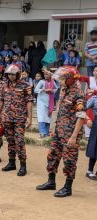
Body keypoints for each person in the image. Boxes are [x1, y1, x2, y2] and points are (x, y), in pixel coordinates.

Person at [36, 66, 87, 197]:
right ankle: (51, 182)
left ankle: (67, 187)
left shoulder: (79, 94)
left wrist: (74, 137)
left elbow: (81, 116)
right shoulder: (65, 89)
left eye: (63, 78)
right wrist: (50, 73)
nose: (60, 80)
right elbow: (56, 77)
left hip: (70, 134)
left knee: (69, 160)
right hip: (59, 131)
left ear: (70, 80)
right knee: (52, 156)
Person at [0, 64, 33, 177]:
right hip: (7, 118)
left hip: (19, 118)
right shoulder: (4, 85)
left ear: (18, 74)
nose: (11, 77)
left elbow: (29, 102)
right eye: (9, 74)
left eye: (13, 74)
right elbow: (1, 100)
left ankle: (23, 165)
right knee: (10, 140)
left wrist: (30, 118)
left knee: (19, 141)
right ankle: (12, 162)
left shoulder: (25, 86)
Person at [34, 69, 58, 138]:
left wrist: (52, 90)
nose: (45, 75)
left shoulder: (53, 82)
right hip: (41, 101)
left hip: (50, 101)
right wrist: (44, 90)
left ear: (50, 75)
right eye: (44, 74)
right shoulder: (42, 82)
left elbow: (57, 89)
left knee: (48, 117)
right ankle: (42, 132)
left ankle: (47, 133)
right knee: (41, 117)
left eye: (47, 74)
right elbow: (35, 90)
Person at [86, 95, 97, 180]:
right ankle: (90, 171)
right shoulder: (94, 99)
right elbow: (81, 109)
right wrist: (88, 119)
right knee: (94, 146)